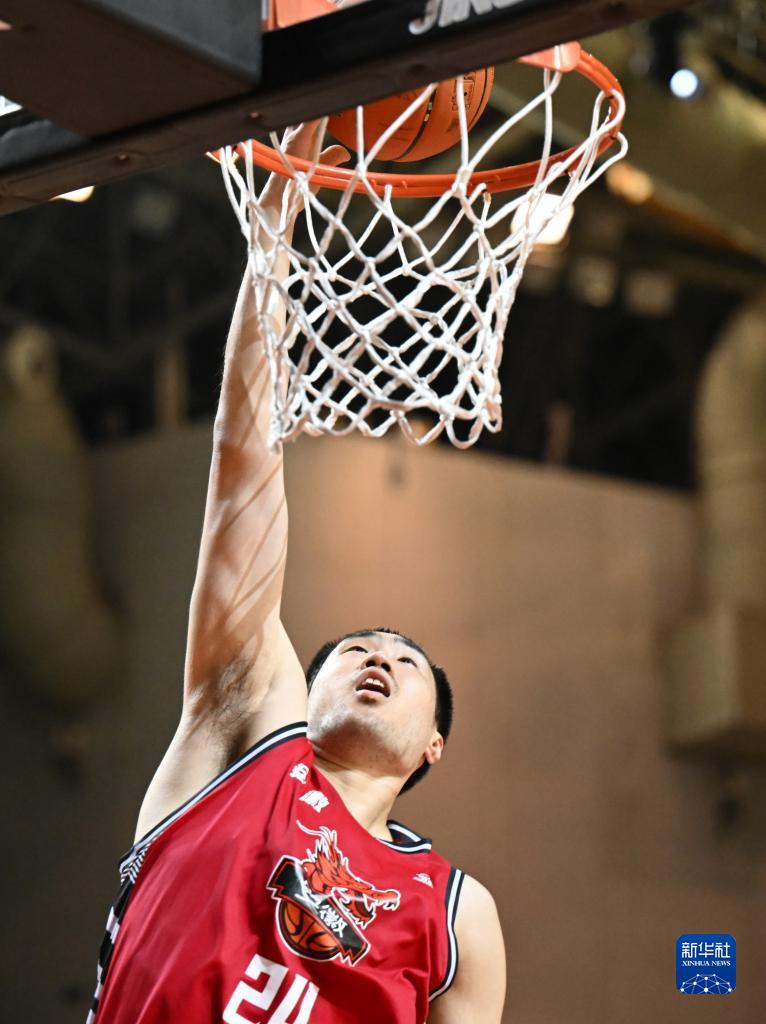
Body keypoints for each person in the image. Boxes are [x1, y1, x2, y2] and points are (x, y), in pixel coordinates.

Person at [86, 122, 506, 1024]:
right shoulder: (246, 739)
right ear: (300, 695)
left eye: (405, 662)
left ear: (434, 745)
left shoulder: (457, 914)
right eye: (354, 649)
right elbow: (242, 464)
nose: (379, 656)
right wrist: (278, 209)